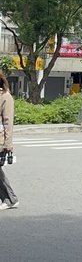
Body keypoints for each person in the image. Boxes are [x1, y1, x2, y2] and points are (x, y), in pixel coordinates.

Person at [0, 69, 18, 210]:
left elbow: (8, 122)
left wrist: (8, 143)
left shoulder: (5, 97)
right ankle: (9, 198)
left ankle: (10, 198)